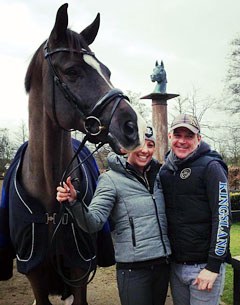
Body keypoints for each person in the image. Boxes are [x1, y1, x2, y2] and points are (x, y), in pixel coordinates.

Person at [57, 126, 171, 305]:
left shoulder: (159, 177)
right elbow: (93, 223)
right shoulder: (110, 180)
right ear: (127, 146)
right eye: (140, 143)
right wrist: (74, 202)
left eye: (150, 145)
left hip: (162, 266)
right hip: (134, 270)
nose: (145, 150)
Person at [159, 113, 231, 305]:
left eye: (189, 136)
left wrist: (213, 266)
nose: (182, 141)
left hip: (204, 268)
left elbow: (222, 217)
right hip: (176, 266)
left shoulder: (212, 167)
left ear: (199, 139)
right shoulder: (165, 171)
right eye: (178, 135)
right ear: (170, 137)